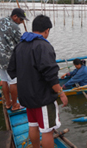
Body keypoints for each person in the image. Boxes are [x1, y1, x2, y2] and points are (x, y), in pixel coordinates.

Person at [7, 14, 68, 148]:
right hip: (42, 98)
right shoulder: (43, 46)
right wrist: (61, 94)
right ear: (47, 30)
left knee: (33, 125)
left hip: (26, 97)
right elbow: (51, 75)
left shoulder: (20, 45)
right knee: (47, 131)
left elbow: (11, 70)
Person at [0, 8, 28, 111]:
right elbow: (20, 43)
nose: (22, 22)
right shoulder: (15, 27)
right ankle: (15, 104)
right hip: (9, 59)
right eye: (21, 20)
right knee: (13, 81)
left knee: (4, 80)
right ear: (15, 16)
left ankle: (8, 103)